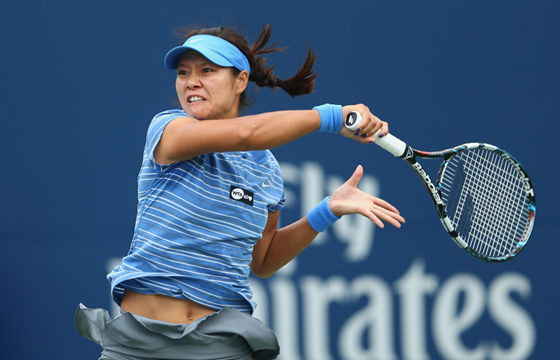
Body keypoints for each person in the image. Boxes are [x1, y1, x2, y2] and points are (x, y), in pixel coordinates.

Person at [75, 24, 405, 360]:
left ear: (240, 81)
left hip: (219, 348)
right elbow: (246, 134)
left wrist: (328, 210)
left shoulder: (266, 170)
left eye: (207, 70)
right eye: (183, 72)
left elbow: (263, 261)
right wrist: (330, 117)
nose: (191, 81)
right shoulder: (168, 128)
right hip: (138, 344)